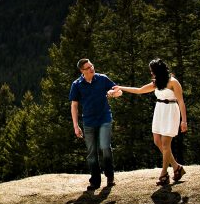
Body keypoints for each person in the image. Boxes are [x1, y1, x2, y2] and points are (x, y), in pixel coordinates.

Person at [108, 58, 188, 186]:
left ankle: (164, 174)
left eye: (152, 71)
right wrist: (120, 87)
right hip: (160, 111)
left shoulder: (173, 82)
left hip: (171, 111)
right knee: (157, 141)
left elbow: (181, 101)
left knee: (166, 144)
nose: (151, 73)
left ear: (158, 71)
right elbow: (139, 90)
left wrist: (184, 121)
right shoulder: (157, 83)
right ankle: (177, 167)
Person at [69, 58, 117, 191]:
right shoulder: (77, 84)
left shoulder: (102, 79)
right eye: (88, 67)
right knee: (91, 152)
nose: (92, 68)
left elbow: (117, 90)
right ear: (82, 71)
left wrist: (115, 93)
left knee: (105, 147)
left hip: (105, 118)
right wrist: (75, 125)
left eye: (92, 65)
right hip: (88, 122)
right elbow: (74, 105)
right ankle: (95, 181)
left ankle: (110, 176)